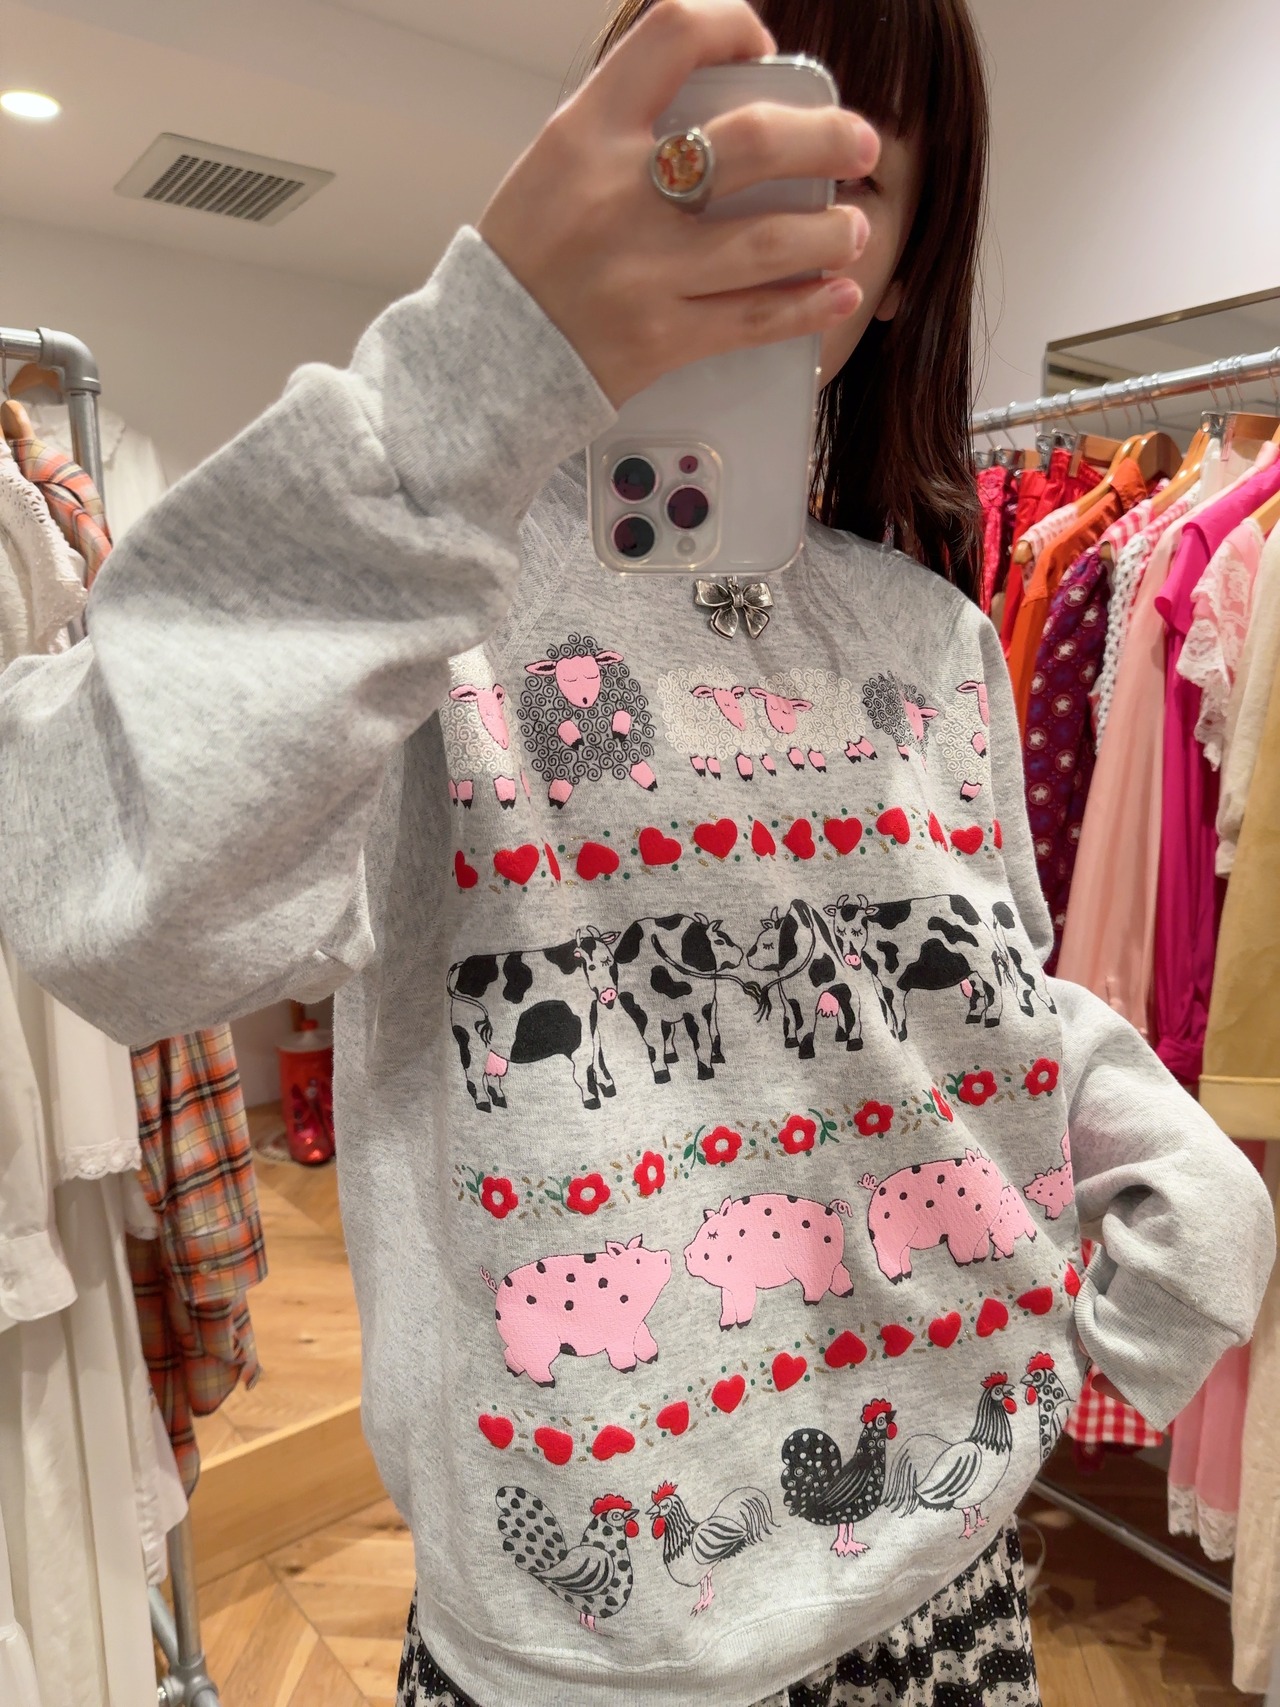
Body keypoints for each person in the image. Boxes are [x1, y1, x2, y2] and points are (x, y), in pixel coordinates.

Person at [0, 1, 1272, 1703]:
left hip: (949, 1602)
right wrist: (478, 368)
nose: (757, 212)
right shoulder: (427, 609)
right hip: (583, 1655)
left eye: (841, 174)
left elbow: (971, 1004)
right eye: (700, 150)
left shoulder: (934, 636)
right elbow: (94, 902)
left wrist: (1154, 1209)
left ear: (904, 265)